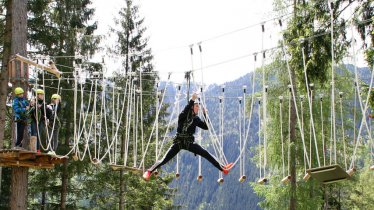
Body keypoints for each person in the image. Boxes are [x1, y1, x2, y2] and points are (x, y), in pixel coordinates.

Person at [143, 92, 233, 181]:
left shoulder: (196, 119)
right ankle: (149, 172)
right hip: (178, 142)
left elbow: (206, 127)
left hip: (189, 143)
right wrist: (192, 99)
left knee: (205, 153)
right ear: (192, 107)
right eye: (196, 106)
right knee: (164, 159)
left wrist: (206, 115)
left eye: (198, 106)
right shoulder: (183, 116)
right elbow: (186, 109)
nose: (198, 108)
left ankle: (223, 168)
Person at [30, 89, 49, 153]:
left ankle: (38, 149)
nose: (41, 96)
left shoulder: (44, 103)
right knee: (33, 134)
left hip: (40, 121)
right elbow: (30, 112)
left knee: (38, 135)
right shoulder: (33, 102)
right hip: (34, 120)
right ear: (37, 95)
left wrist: (42, 107)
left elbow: (46, 113)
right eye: (40, 94)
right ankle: (33, 149)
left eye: (42, 95)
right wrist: (32, 106)